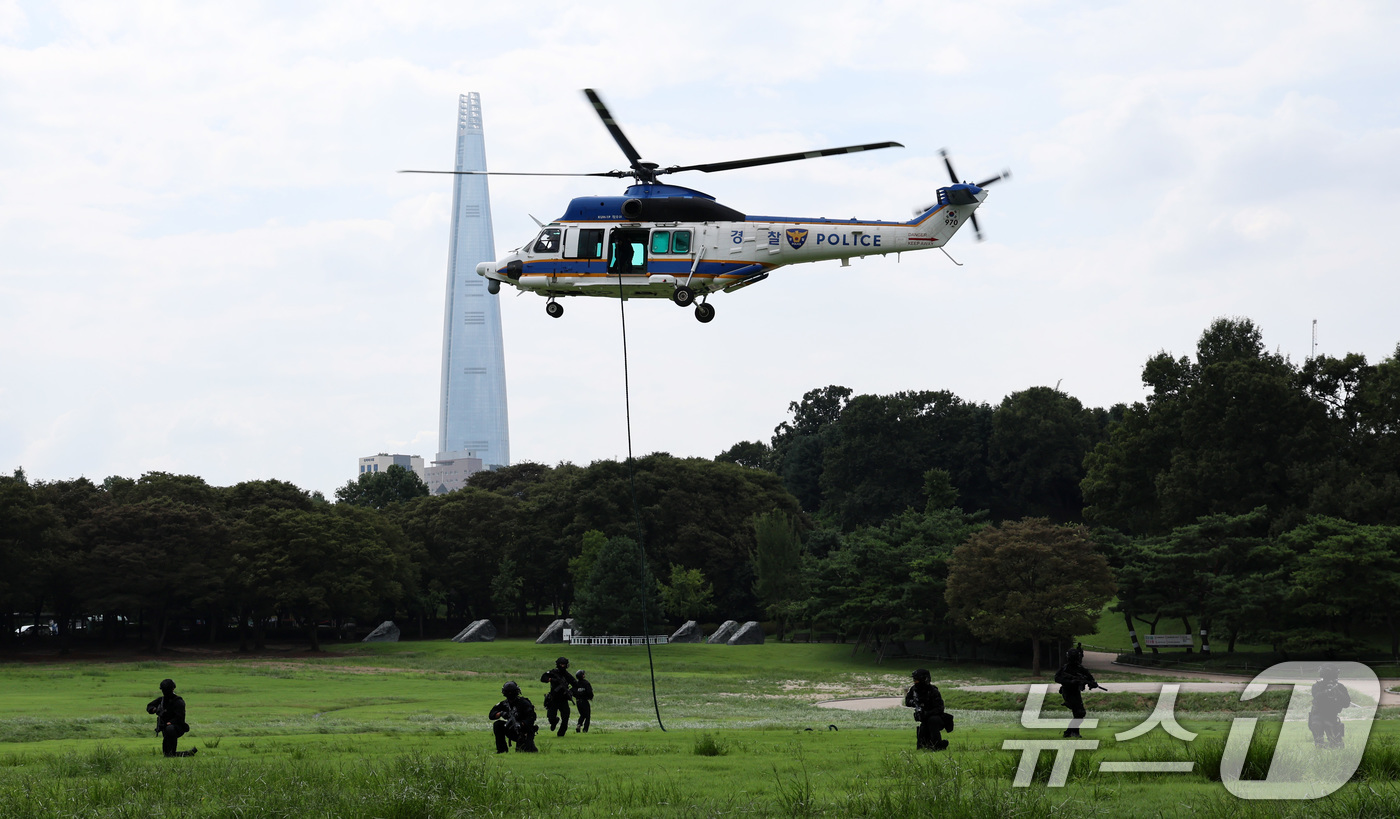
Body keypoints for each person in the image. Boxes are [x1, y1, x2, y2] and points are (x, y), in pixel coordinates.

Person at [1054, 644, 1106, 738]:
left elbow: (1090, 679)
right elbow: (1057, 678)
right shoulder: (1065, 668)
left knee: (1079, 713)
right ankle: (1073, 732)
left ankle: (1070, 732)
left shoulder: (1081, 669)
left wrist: (1092, 684)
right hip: (1067, 691)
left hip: (1076, 692)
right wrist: (1070, 681)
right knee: (1079, 712)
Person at [145, 678, 196, 757]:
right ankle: (183, 754)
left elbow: (180, 718)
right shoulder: (161, 700)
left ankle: (173, 753)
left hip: (177, 727)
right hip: (165, 727)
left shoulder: (178, 701)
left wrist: (170, 723)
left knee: (170, 729)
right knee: (167, 754)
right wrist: (153, 709)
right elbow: (149, 706)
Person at [903, 668, 949, 751]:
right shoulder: (914, 690)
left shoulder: (933, 691)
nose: (915, 682)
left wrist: (927, 713)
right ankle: (932, 744)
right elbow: (907, 701)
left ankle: (938, 745)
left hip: (935, 718)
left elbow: (940, 708)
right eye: (915, 680)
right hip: (924, 719)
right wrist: (915, 704)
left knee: (932, 721)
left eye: (917, 680)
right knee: (922, 746)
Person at [489, 681, 539, 753]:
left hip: (524, 731)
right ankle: (502, 750)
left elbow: (532, 717)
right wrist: (501, 713)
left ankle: (529, 746)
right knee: (498, 724)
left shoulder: (524, 703)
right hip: (511, 729)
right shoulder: (504, 704)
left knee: (524, 751)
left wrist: (522, 724)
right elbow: (491, 715)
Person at [1309, 664, 1351, 749]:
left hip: (1332, 716)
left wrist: (1337, 691)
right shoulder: (1317, 686)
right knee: (1317, 729)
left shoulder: (1340, 687)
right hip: (1318, 715)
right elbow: (1317, 697)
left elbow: (1346, 703)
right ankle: (1320, 750)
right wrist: (1328, 691)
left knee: (1336, 743)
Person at [540, 656, 575, 737]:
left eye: (564, 664)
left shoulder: (567, 675)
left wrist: (571, 692)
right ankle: (555, 721)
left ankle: (561, 733)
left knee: (565, 718)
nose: (563, 666)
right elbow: (543, 678)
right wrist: (550, 679)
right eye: (561, 664)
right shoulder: (553, 673)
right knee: (551, 717)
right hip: (553, 698)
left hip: (563, 699)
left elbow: (575, 684)